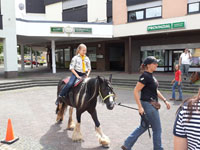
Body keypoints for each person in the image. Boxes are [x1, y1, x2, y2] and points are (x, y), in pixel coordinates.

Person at [121, 56, 171, 150]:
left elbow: (155, 90)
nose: (157, 65)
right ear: (148, 65)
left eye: (157, 63)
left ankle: (127, 145)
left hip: (150, 104)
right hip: (149, 105)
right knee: (157, 129)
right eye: (154, 63)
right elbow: (136, 91)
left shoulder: (151, 76)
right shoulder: (145, 76)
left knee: (143, 127)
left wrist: (164, 100)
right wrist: (140, 107)